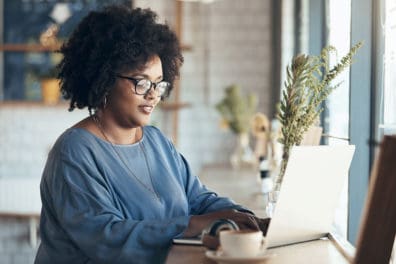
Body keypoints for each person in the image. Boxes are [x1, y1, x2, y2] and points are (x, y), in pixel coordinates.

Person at [35, 5, 269, 264]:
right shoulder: (74, 151)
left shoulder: (157, 142)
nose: (153, 94)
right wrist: (195, 224)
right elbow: (107, 238)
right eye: (141, 81)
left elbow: (198, 199)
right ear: (104, 80)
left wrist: (247, 218)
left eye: (159, 83)